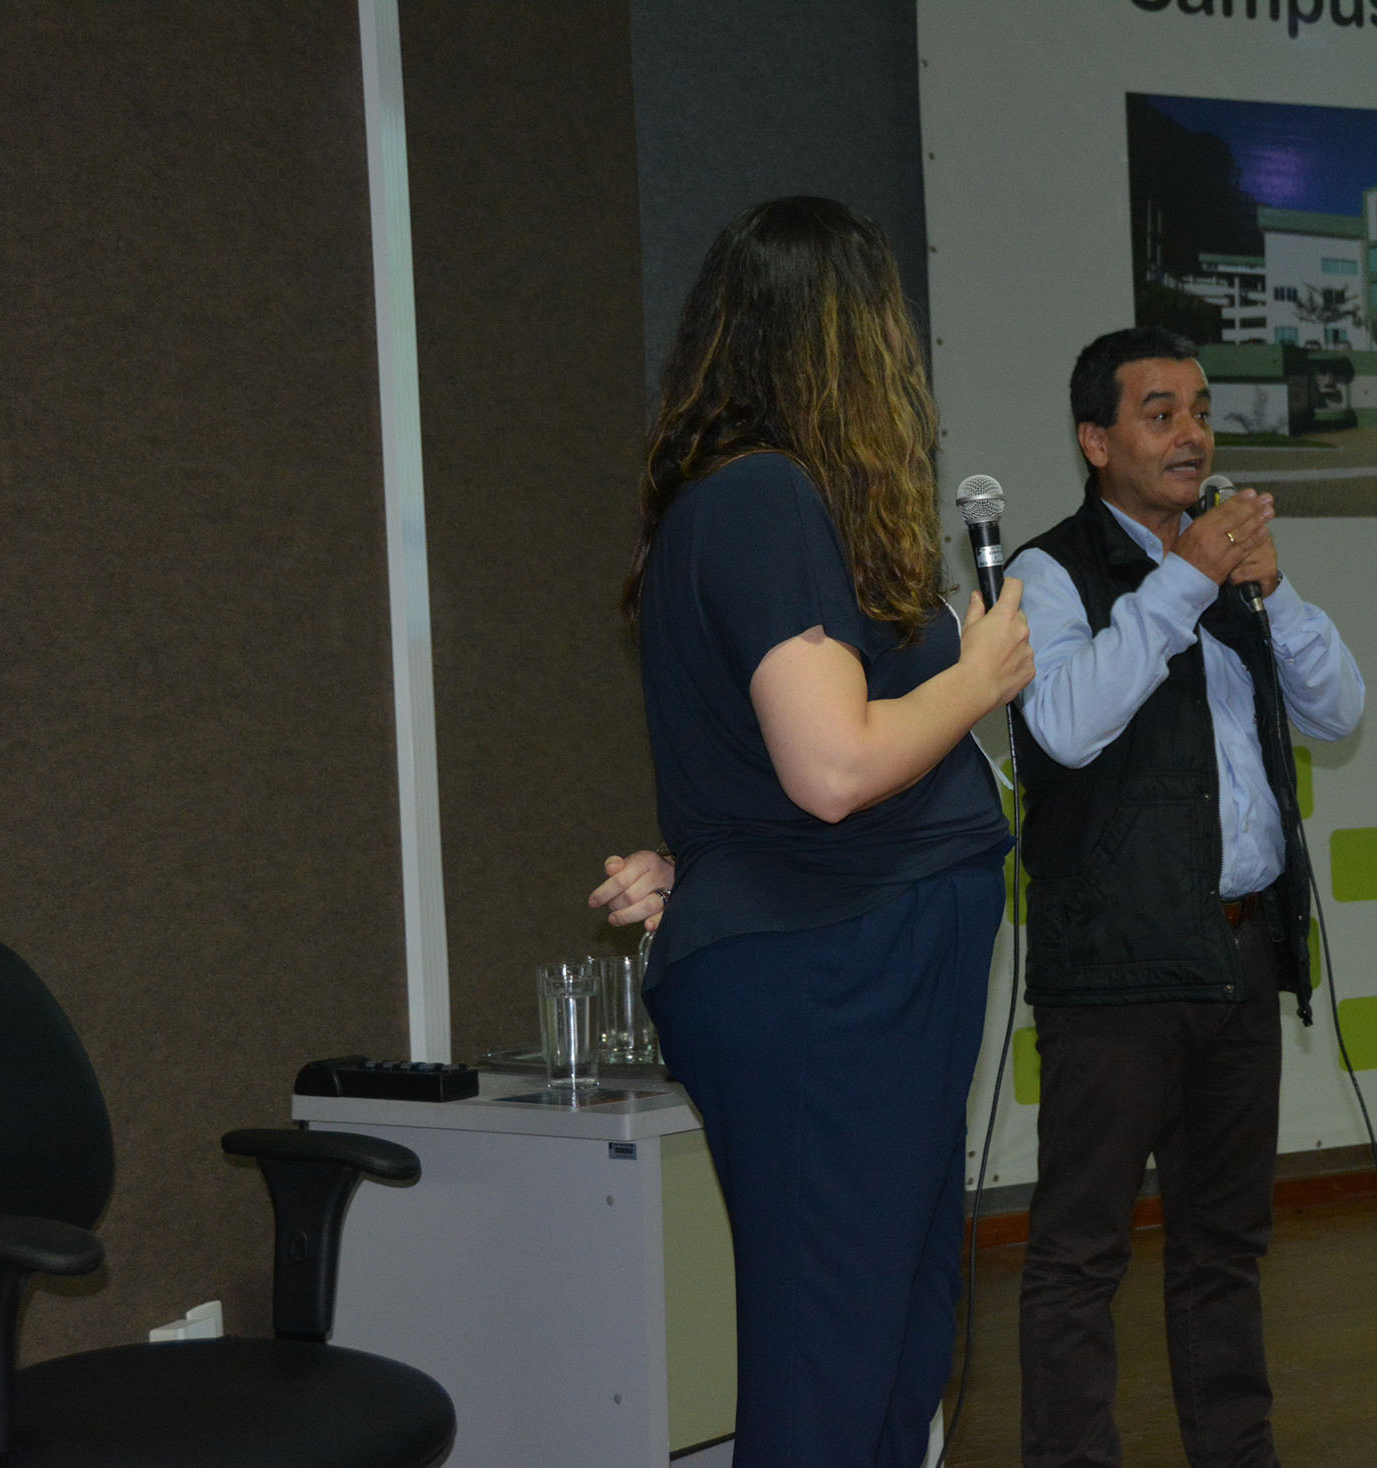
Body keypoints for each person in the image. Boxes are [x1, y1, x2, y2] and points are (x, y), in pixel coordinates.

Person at [594, 195, 1031, 1468]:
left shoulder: (763, 508)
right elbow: (833, 767)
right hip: (831, 977)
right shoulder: (762, 497)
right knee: (830, 1368)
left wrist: (694, 861)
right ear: (842, 338)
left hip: (853, 964)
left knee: (890, 1355)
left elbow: (766, 764)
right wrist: (978, 672)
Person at [1003, 325, 1364, 1468]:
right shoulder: (1047, 572)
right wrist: (1186, 579)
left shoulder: (1230, 569)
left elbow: (1339, 711)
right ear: (1094, 439)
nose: (1191, 433)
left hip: (1237, 956)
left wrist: (1273, 589)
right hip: (1113, 969)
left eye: (1200, 410)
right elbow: (1065, 724)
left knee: (1224, 1250)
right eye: (1158, 413)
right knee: (1080, 1254)